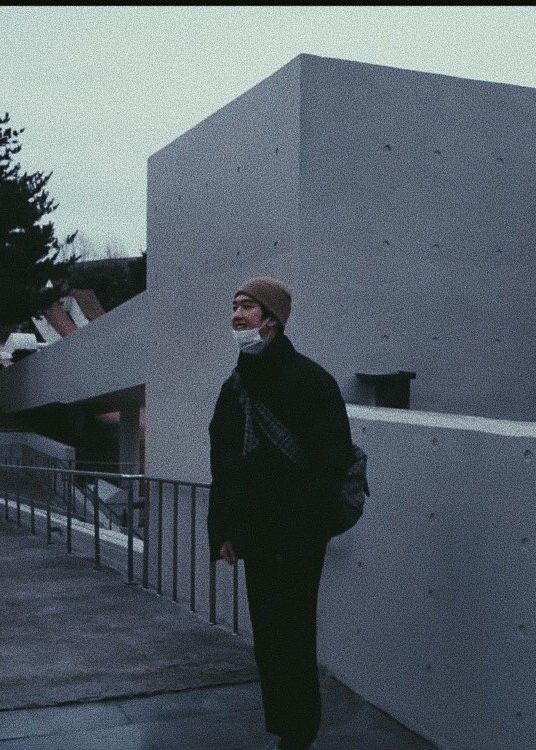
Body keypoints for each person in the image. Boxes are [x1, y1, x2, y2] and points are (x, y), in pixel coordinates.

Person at [208, 276, 354, 750]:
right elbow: (224, 464)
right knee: (269, 641)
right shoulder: (235, 386)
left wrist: (305, 530)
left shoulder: (312, 381)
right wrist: (224, 531)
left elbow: (331, 463)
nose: (237, 315)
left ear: (271, 319)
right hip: (256, 537)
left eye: (247, 307)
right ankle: (286, 731)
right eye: (235, 306)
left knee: (293, 637)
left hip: (297, 538)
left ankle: (298, 735)